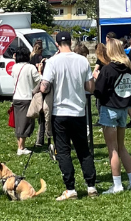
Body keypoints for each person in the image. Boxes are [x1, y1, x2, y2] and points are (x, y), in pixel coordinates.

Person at [40, 31, 98, 200]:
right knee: (83, 150)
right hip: (78, 111)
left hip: (60, 112)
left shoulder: (52, 62)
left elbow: (44, 87)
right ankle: (91, 186)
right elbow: (90, 87)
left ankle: (71, 188)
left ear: (57, 44)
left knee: (64, 151)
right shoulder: (82, 60)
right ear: (71, 42)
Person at [93, 39, 131, 194]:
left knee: (112, 149)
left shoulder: (108, 69)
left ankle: (117, 184)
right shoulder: (129, 68)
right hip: (123, 109)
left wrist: (97, 79)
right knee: (121, 147)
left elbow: (98, 92)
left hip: (109, 109)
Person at [9, 43, 38, 156]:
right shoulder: (30, 67)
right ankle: (21, 148)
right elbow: (39, 80)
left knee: (18, 122)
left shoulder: (15, 67)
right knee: (26, 123)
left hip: (16, 97)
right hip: (27, 98)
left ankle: (20, 145)